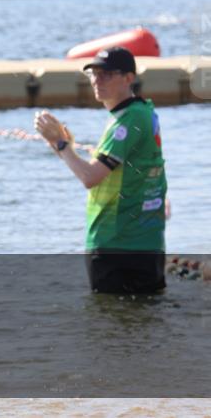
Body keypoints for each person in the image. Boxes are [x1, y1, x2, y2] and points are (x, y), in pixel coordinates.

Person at [34, 47, 167, 294]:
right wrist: (61, 145)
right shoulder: (141, 111)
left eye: (106, 74)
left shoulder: (128, 120)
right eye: (93, 74)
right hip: (143, 241)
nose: (97, 80)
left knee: (109, 324)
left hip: (117, 244)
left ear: (129, 78)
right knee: (143, 320)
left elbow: (90, 177)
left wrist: (61, 144)